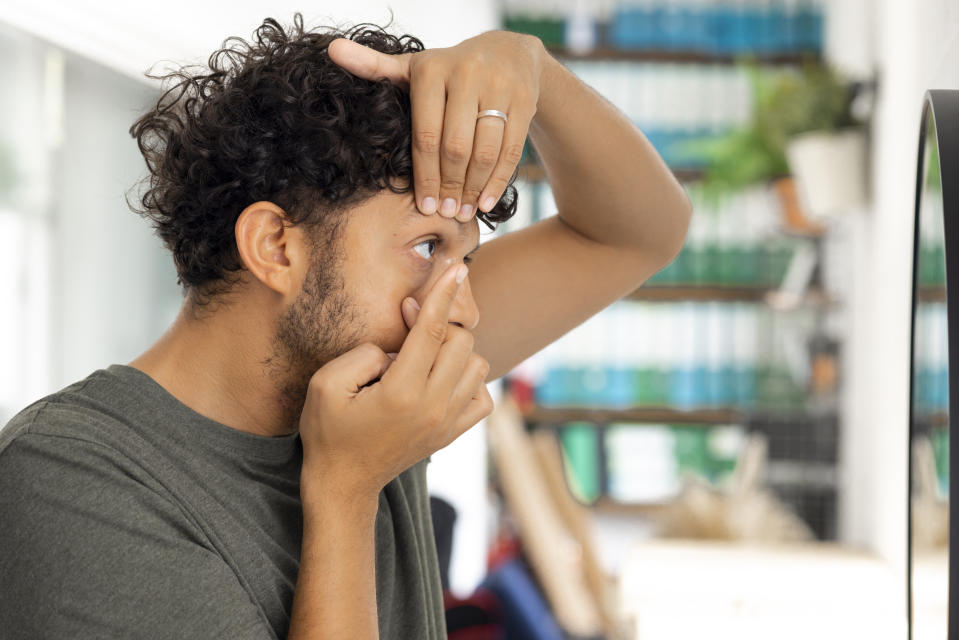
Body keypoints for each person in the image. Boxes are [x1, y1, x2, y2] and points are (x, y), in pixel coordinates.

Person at [0, 13, 691, 640]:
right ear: (275, 247)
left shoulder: (367, 375)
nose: (466, 308)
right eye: (427, 248)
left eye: (466, 258)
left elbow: (635, 234)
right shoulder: (68, 482)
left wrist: (534, 72)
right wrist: (347, 489)